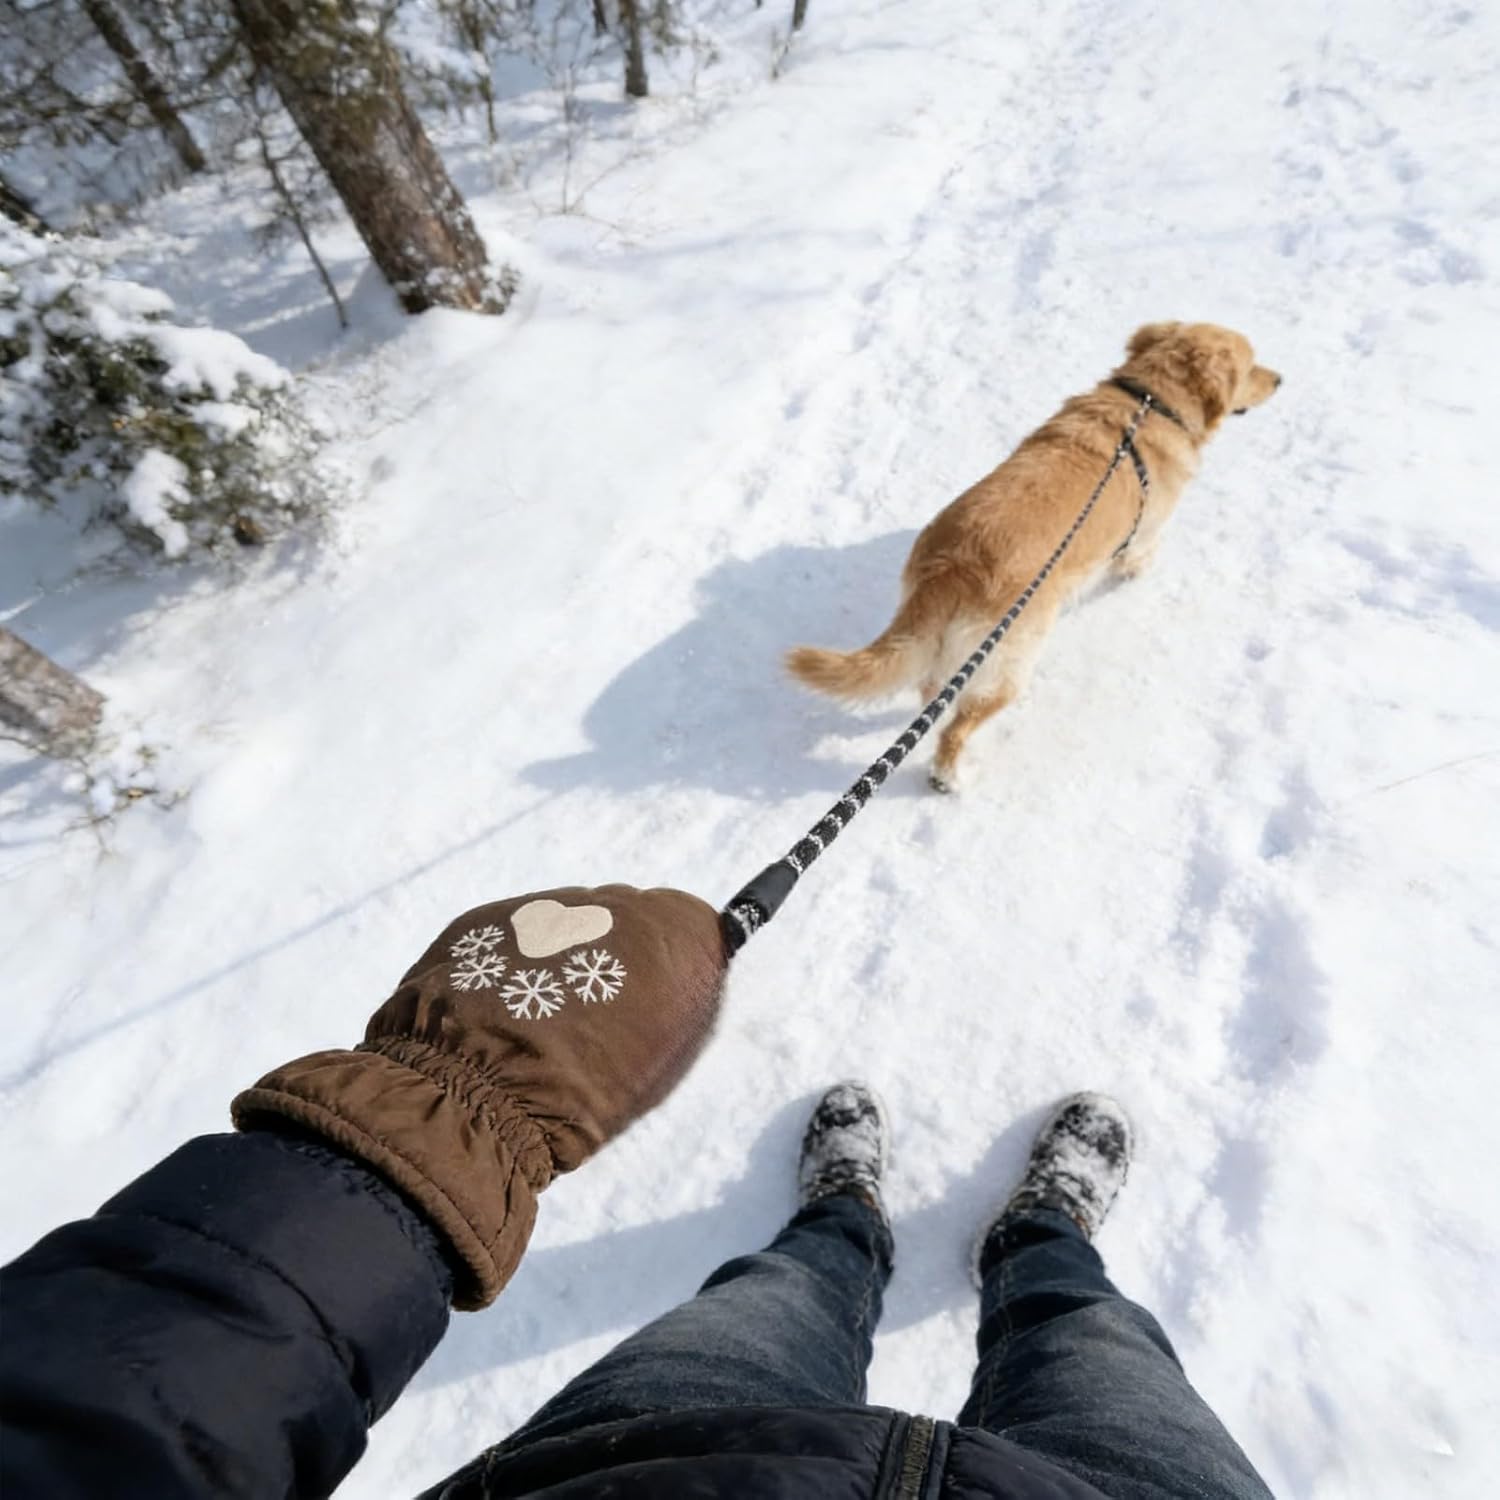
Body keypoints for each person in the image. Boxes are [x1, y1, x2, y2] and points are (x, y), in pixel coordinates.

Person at [0, 883, 1273, 1500]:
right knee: (1086, 1331)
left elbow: (80, 1448)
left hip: (648, 1475)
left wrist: (435, 1116)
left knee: (764, 1301)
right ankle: (1010, 1237)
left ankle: (844, 1231)